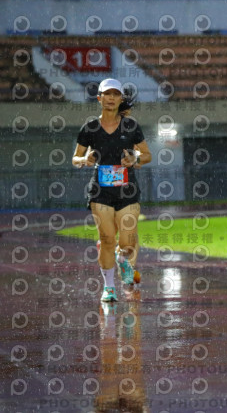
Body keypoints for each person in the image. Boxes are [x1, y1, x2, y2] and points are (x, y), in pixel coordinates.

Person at [72, 78, 151, 302]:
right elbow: (75, 158)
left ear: (120, 99)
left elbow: (147, 155)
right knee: (106, 239)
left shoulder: (131, 126)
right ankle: (109, 288)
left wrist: (135, 159)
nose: (111, 98)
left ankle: (122, 259)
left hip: (128, 191)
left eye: (116, 94)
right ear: (99, 98)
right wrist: (85, 160)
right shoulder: (90, 127)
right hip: (101, 192)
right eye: (107, 94)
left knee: (127, 243)